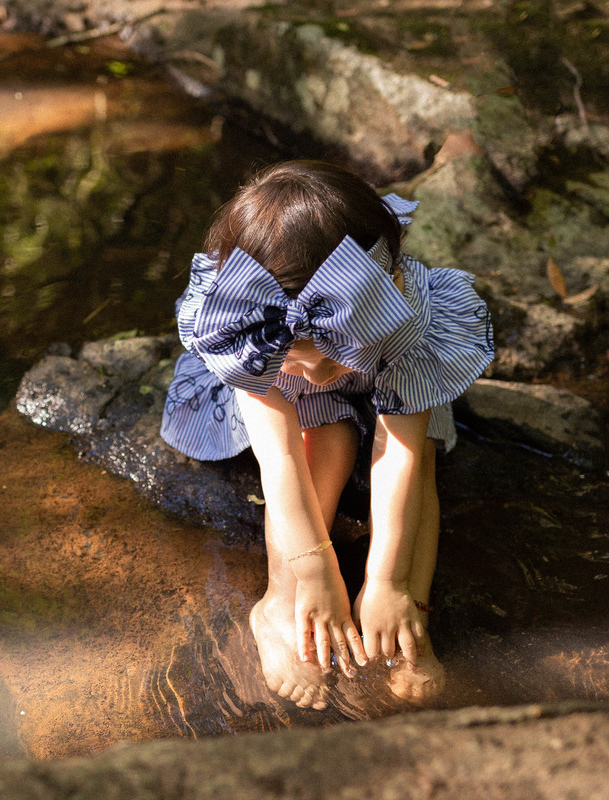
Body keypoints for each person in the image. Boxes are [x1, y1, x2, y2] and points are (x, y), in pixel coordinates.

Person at [160, 160, 493, 707]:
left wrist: (383, 580)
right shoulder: (249, 327)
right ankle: (279, 606)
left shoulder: (402, 313)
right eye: (303, 358)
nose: (318, 372)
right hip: (287, 397)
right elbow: (279, 456)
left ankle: (411, 610)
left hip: (393, 370)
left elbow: (400, 452)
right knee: (325, 438)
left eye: (334, 356)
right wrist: (315, 570)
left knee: (425, 449)